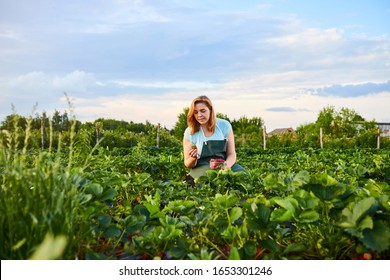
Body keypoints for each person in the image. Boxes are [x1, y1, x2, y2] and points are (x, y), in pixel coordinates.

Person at [183, 95, 246, 180]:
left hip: (223, 163)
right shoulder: (190, 131)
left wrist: (226, 165)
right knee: (205, 180)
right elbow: (187, 164)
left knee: (243, 175)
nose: (199, 115)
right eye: (196, 112)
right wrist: (193, 158)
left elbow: (231, 153)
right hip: (201, 167)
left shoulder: (224, 126)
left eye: (203, 111)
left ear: (210, 110)